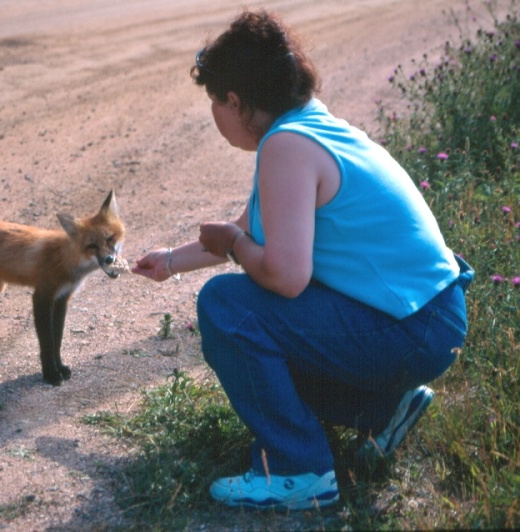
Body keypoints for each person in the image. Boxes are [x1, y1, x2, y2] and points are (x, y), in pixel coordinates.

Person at [132, 9, 473, 511]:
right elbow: (253, 228)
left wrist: (233, 246)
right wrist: (170, 260)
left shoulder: (285, 147)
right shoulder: (308, 124)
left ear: (234, 100)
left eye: (214, 101)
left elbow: (286, 277)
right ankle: (382, 410)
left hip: (411, 329)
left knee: (229, 307)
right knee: (266, 323)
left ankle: (297, 470)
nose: (214, 113)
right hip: (433, 316)